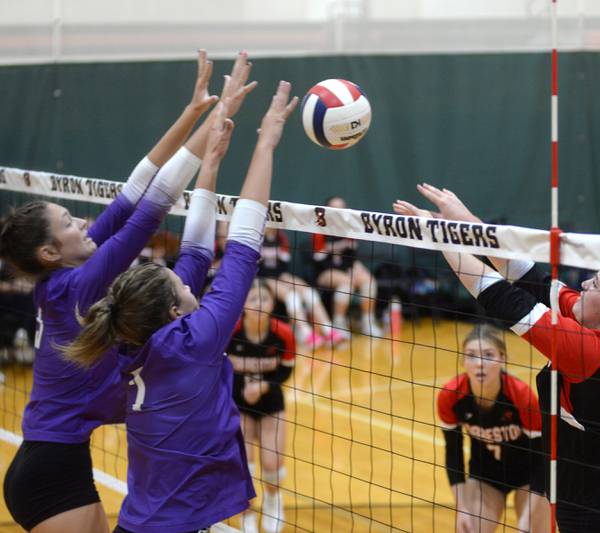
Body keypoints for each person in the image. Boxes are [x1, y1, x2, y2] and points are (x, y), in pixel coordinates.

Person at [0, 49, 257, 533]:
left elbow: (135, 188)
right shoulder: (76, 288)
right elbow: (150, 209)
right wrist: (226, 111)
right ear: (51, 253)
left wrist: (195, 110)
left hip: (59, 462)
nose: (82, 221)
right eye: (69, 222)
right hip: (51, 472)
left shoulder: (65, 279)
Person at [63, 80, 299, 533]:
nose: (189, 276)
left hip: (142, 522)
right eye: (179, 281)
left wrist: (210, 165)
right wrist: (266, 140)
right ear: (175, 310)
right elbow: (244, 244)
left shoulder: (134, 339)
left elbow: (193, 254)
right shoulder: (196, 341)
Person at [395, 184, 600, 533]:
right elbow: (527, 275)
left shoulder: (590, 352)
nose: (584, 285)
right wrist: (464, 222)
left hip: (599, 504)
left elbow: (497, 293)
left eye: (594, 283)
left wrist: (438, 237)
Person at [438, 324, 549, 533]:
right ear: (463, 361)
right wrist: (461, 508)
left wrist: (526, 520)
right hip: (485, 476)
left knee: (534, 529)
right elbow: (453, 453)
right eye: (471, 356)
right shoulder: (451, 396)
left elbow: (541, 462)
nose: (479, 363)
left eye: (488, 355)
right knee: (468, 528)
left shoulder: (522, 397)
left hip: (529, 477)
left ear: (502, 358)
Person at [228, 279, 295, 533]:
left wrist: (264, 386)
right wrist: (241, 391)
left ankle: (273, 501)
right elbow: (218, 369)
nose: (258, 304)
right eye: (253, 299)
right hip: (238, 405)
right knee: (244, 465)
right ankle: (246, 515)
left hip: (271, 404)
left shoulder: (283, 333)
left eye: (264, 299)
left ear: (272, 303)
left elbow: (286, 371)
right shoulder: (231, 330)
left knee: (272, 464)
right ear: (243, 303)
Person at [258, 227, 345, 348]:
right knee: (291, 296)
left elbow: (283, 264)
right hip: (261, 277)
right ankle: (307, 333)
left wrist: (282, 278)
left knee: (308, 291)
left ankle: (328, 330)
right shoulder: (257, 237)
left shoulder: (281, 238)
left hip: (280, 273)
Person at [312, 196, 382, 338]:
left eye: (341, 208)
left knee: (368, 280)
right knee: (346, 283)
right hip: (324, 272)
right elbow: (318, 259)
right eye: (334, 208)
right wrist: (335, 250)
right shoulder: (319, 229)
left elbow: (352, 255)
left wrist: (355, 268)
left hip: (345, 269)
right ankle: (339, 323)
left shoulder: (348, 229)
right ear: (327, 210)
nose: (338, 212)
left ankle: (367, 322)